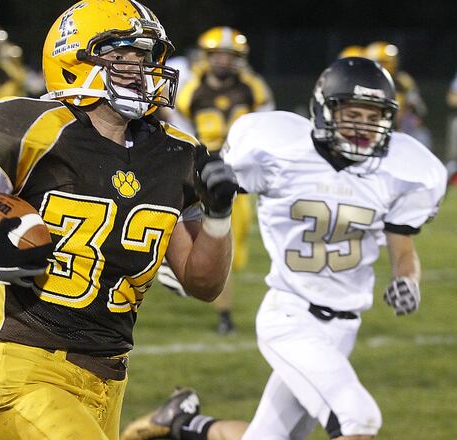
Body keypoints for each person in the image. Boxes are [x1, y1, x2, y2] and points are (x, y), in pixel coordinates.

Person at [0, 1, 238, 438]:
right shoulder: (27, 127)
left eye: (145, 55)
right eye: (120, 53)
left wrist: (218, 215)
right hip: (27, 369)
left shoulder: (178, 154)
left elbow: (203, 284)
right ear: (73, 58)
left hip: (110, 376)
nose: (139, 67)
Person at [121, 57, 447, 440]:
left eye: (373, 115)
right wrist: (173, 253)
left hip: (345, 327)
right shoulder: (282, 149)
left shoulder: (402, 170)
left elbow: (402, 243)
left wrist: (407, 278)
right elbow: (194, 190)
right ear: (326, 110)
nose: (362, 126)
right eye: (352, 113)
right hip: (290, 316)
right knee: (359, 419)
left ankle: (181, 423)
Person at [157, 26, 275, 335]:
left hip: (239, 171)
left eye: (230, 55)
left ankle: (178, 267)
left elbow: (267, 124)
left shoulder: (253, 87)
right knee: (215, 235)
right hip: (204, 169)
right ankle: (223, 314)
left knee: (236, 246)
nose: (223, 61)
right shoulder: (191, 88)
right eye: (218, 54)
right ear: (207, 57)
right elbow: (181, 132)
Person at [365, 41, 431, 148]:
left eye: (381, 62)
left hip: (401, 129)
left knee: (421, 135)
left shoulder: (403, 81)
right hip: (372, 127)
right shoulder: (365, 81)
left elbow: (418, 110)